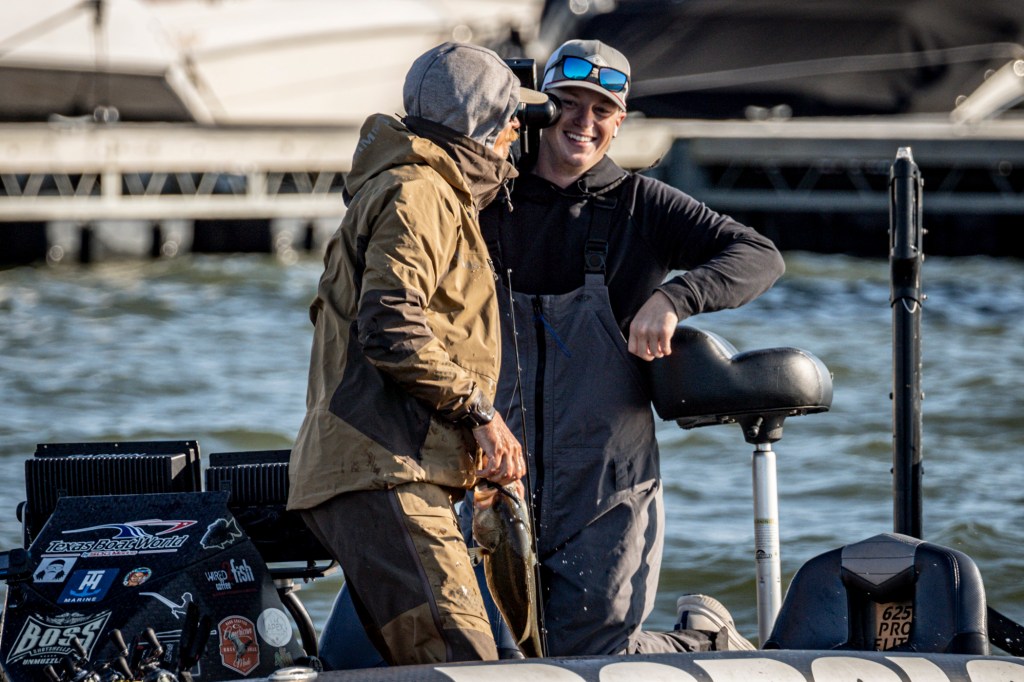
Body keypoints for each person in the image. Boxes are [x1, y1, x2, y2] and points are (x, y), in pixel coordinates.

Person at [477, 39, 787, 656]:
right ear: (541, 108)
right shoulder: (489, 196)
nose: (583, 122)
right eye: (569, 104)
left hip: (606, 485)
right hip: (496, 474)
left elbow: (760, 256)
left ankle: (705, 644)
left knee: (597, 655)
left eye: (602, 110)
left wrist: (676, 297)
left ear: (619, 121)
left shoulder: (642, 205)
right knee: (490, 649)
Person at [287, 42, 546, 666]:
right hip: (383, 471)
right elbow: (390, 324)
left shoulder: (426, 187)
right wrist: (480, 414)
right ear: (480, 123)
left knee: (432, 663)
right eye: (510, 114)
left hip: (382, 470)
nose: (518, 128)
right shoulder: (420, 191)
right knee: (464, 664)